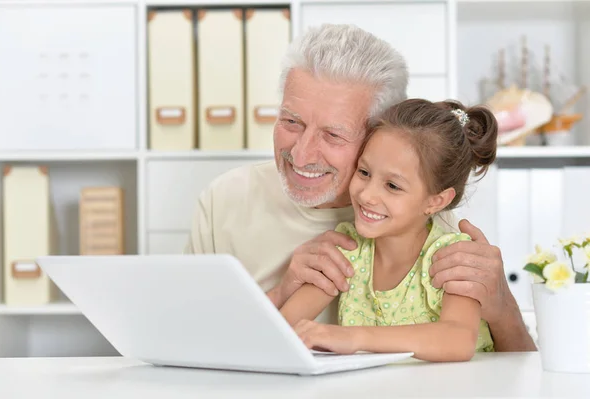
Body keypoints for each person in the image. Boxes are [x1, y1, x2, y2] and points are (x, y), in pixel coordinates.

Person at [185, 23, 536, 352]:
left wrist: (503, 306)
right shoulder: (232, 203)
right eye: (291, 121)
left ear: (377, 135)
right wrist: (280, 293)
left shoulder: (442, 242)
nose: (302, 154)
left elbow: (479, 350)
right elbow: (209, 341)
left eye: (333, 134)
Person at [280, 98, 496, 361]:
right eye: (364, 172)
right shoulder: (348, 249)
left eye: (392, 186)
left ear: (436, 201)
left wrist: (354, 337)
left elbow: (457, 340)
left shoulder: (451, 257)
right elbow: (282, 330)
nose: (367, 195)